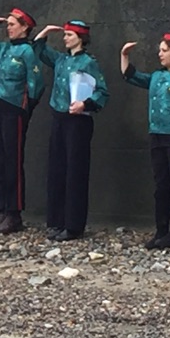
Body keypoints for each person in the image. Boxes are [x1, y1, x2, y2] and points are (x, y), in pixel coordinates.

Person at [121, 32, 170, 249]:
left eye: (164, 50)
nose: (160, 54)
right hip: (157, 134)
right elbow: (133, 76)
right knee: (161, 184)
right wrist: (124, 55)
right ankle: (161, 229)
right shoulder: (157, 77)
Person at [34, 21, 109, 241]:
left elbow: (102, 92)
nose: (65, 38)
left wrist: (86, 104)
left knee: (75, 171)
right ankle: (57, 220)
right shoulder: (61, 60)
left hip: (78, 120)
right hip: (59, 116)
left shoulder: (88, 63)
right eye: (65, 34)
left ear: (80, 37)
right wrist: (46, 32)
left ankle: (74, 225)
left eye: (69, 35)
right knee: (57, 169)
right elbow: (37, 48)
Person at [0, 7, 45, 234]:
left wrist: (27, 110)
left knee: (13, 161)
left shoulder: (27, 52)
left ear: (25, 27)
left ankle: (14, 214)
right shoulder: (4, 48)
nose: (9, 28)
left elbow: (36, 84)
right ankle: (2, 209)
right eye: (9, 24)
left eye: (13, 24)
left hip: (15, 109)